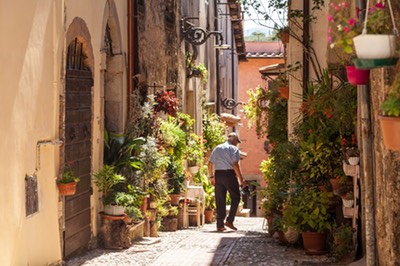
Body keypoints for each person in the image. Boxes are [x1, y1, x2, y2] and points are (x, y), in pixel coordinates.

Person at [208, 132, 246, 232]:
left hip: (218, 174)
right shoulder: (234, 149)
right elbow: (235, 165)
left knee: (220, 199)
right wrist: (241, 180)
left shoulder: (217, 148)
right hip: (229, 174)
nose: (237, 144)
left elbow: (210, 164)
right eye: (237, 142)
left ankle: (220, 225)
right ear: (234, 141)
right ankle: (229, 220)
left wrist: (211, 177)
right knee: (236, 197)